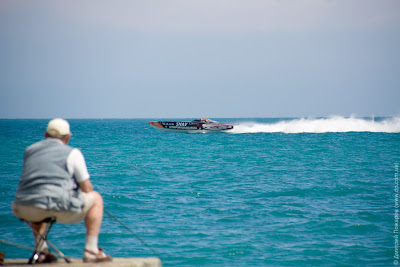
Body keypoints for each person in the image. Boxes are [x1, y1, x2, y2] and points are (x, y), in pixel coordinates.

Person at [12, 118, 112, 263]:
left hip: (23, 208)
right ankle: (91, 250)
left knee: (37, 199)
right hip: (56, 207)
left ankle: (42, 250)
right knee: (96, 198)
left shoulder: (29, 150)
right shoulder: (72, 153)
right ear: (67, 137)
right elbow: (87, 187)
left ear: (46, 135)